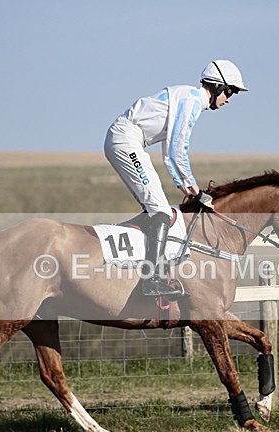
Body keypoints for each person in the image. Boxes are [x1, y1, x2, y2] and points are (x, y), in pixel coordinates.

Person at [104, 60, 248, 297]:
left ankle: (137, 266)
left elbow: (170, 149)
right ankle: (151, 280)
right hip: (126, 139)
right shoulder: (191, 99)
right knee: (160, 211)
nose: (230, 99)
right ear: (218, 86)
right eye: (230, 91)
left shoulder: (190, 98)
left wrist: (186, 186)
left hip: (128, 141)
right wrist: (193, 188)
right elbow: (177, 148)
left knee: (156, 209)